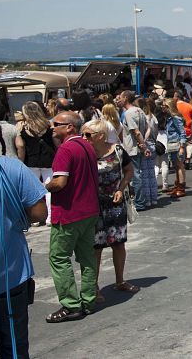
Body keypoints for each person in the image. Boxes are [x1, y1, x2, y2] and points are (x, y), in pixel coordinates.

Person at [0, 112, 47, 358]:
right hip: (8, 285)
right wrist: (11, 220)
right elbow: (40, 212)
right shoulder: (10, 168)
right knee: (14, 351)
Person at [45, 111, 100, 323]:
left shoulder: (66, 149)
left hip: (69, 213)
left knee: (59, 258)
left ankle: (70, 304)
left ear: (69, 127)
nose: (52, 127)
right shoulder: (87, 145)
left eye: (56, 124)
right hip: (89, 211)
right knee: (87, 258)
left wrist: (43, 187)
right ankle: (88, 300)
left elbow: (59, 183)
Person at [81, 120, 139, 299]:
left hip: (115, 203)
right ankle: (94, 286)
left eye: (88, 135)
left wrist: (121, 189)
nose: (84, 138)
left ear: (101, 136)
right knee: (95, 247)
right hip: (93, 205)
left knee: (118, 243)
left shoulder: (117, 150)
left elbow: (129, 170)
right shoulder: (84, 152)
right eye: (82, 134)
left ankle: (120, 280)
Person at [16, 101, 57, 226]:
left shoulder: (23, 127)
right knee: (50, 189)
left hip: (31, 161)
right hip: (48, 160)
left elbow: (21, 145)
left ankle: (37, 217)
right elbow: (55, 143)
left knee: (34, 190)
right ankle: (50, 217)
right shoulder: (48, 124)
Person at [119, 91, 151, 212]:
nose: (119, 100)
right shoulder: (140, 110)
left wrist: (143, 145)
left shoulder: (128, 113)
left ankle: (139, 202)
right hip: (137, 147)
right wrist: (144, 143)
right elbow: (148, 128)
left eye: (121, 98)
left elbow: (135, 131)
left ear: (126, 98)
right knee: (138, 174)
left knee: (135, 175)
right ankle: (140, 200)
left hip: (132, 148)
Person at [136, 98, 159, 208]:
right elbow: (155, 132)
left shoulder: (141, 117)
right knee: (151, 174)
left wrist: (143, 142)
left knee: (144, 174)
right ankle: (154, 197)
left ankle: (147, 198)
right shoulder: (153, 117)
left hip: (144, 146)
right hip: (153, 145)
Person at [164, 100, 187, 197]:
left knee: (179, 166)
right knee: (176, 166)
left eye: (164, 106)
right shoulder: (169, 118)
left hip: (176, 144)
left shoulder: (175, 118)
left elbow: (182, 132)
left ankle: (181, 187)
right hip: (172, 144)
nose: (162, 107)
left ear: (169, 107)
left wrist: (182, 146)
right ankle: (177, 185)